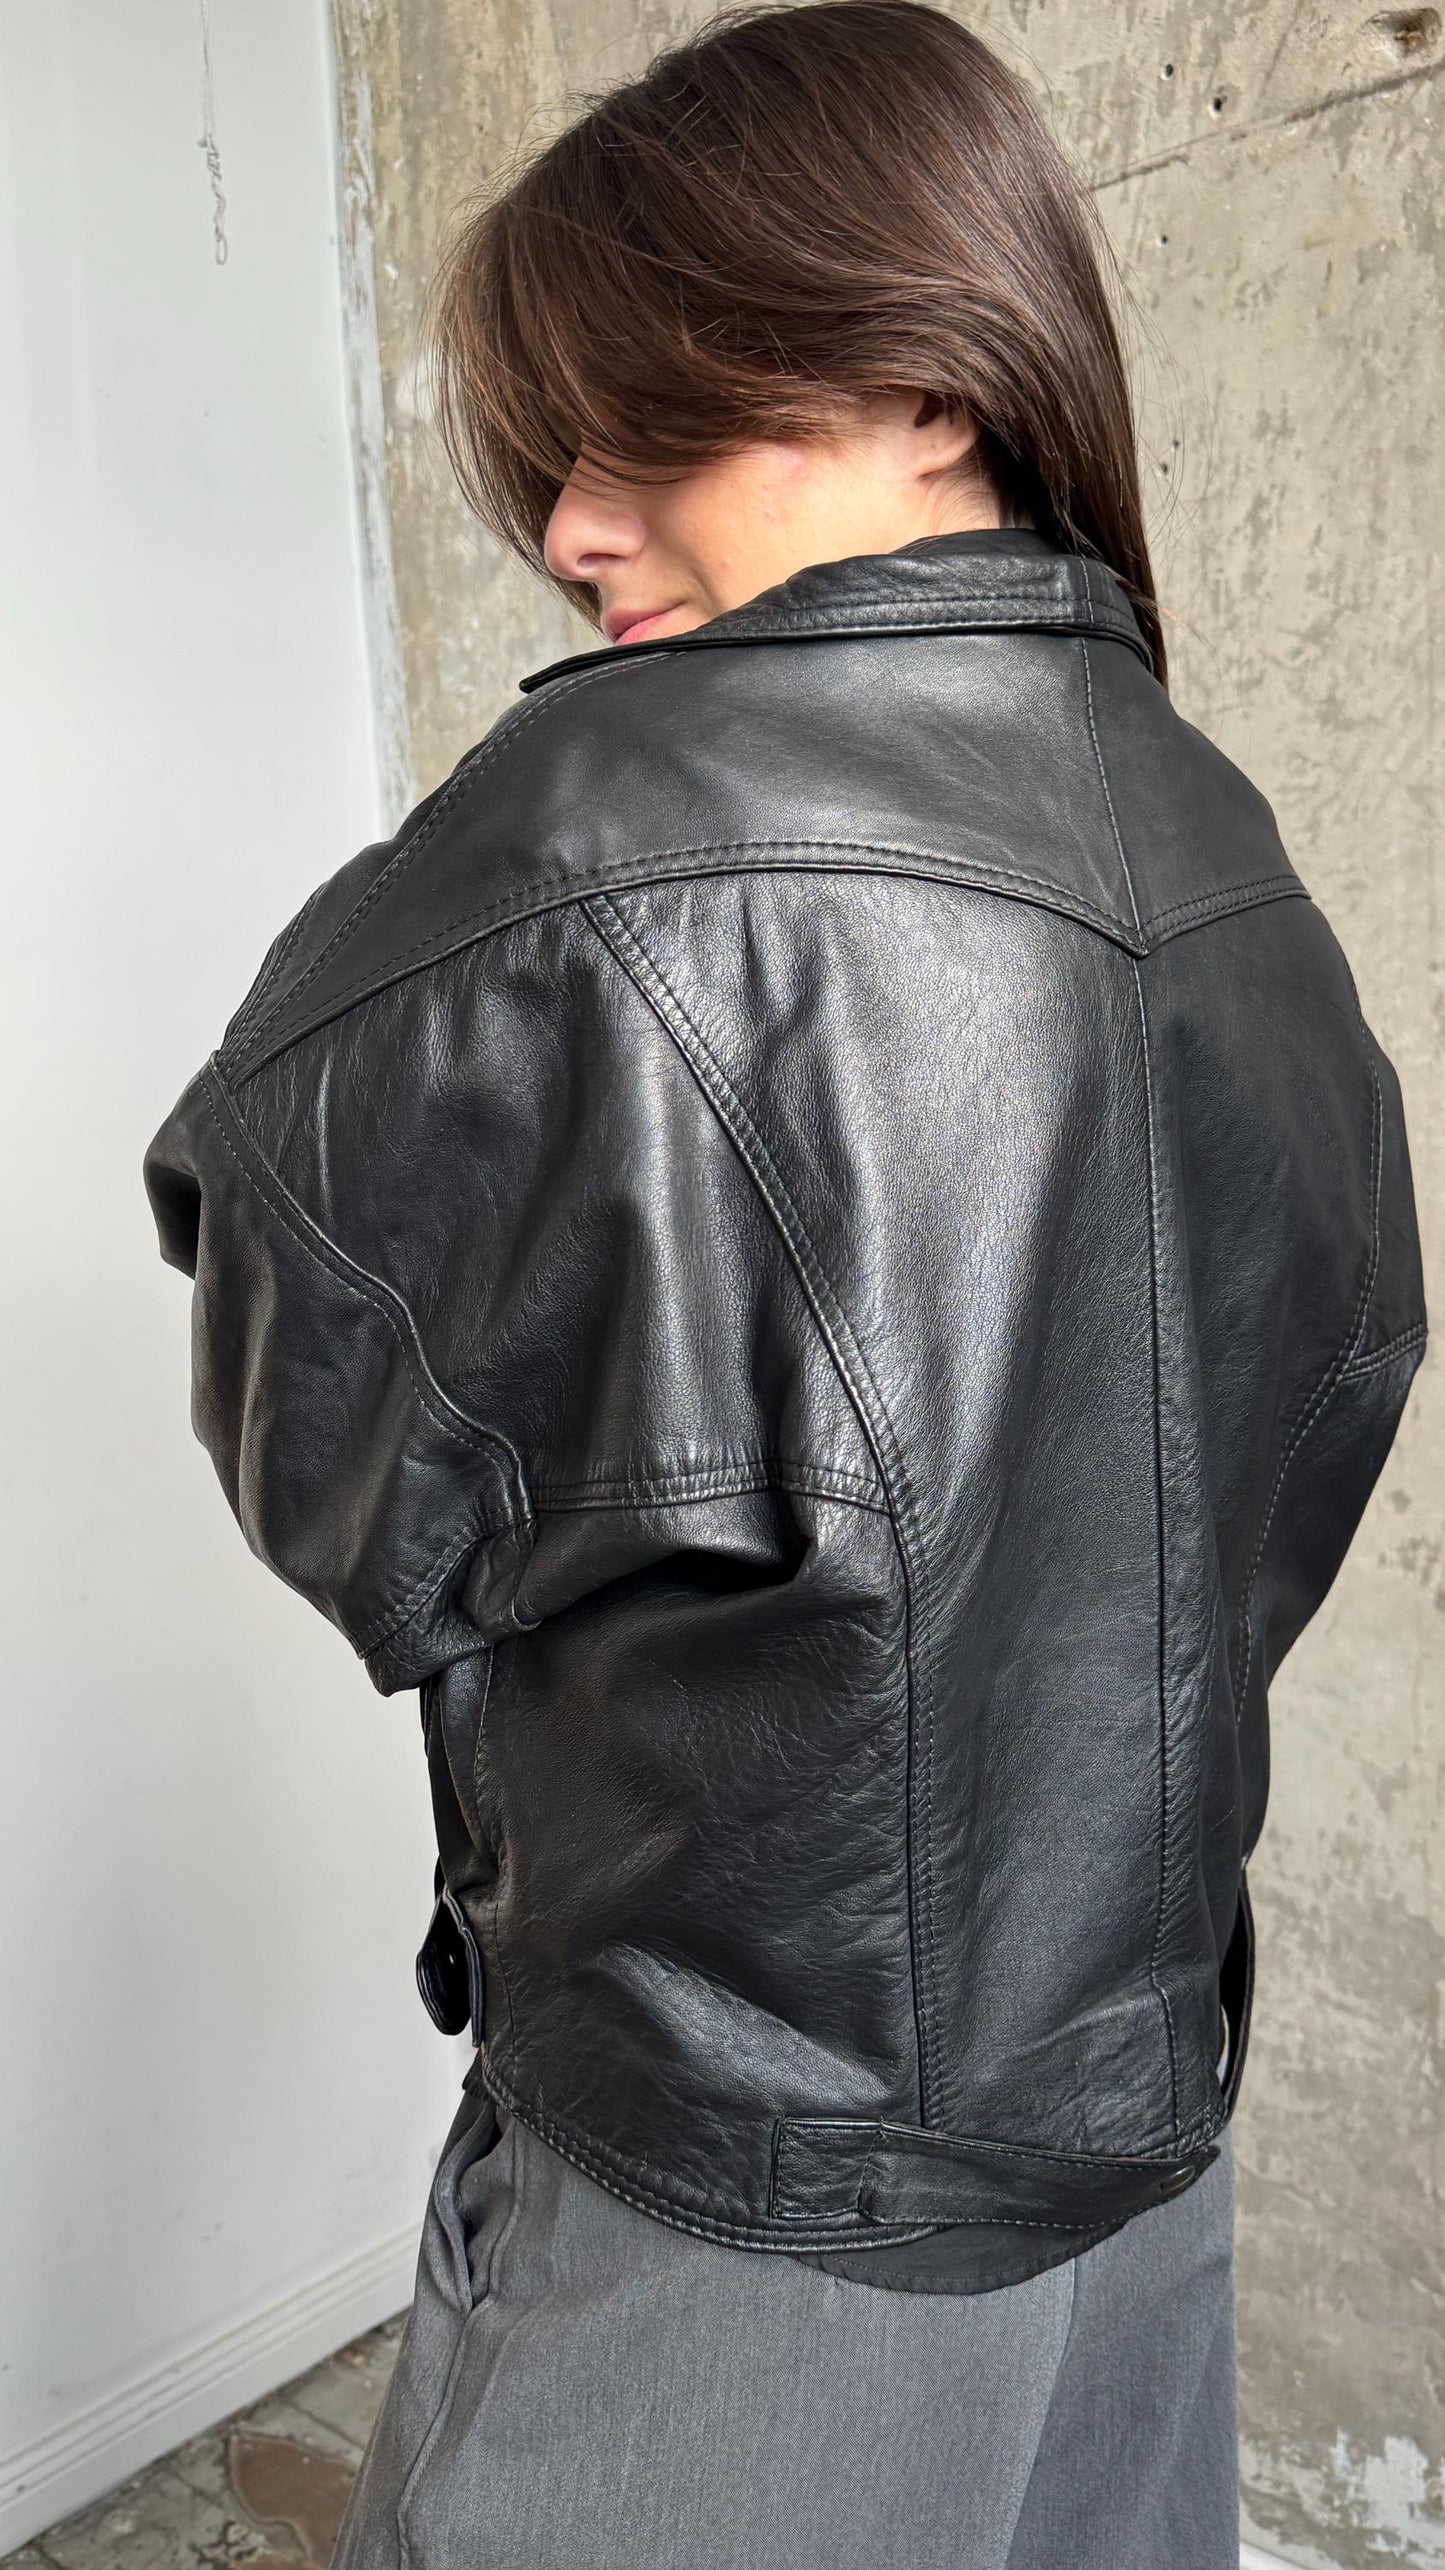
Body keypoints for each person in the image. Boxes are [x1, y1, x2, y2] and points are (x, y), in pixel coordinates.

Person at [143, 6, 1427, 2566]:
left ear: (927, 379)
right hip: (1146, 2136)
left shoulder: (614, 834)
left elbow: (326, 1421)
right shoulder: (1233, 860)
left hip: (743, 2207)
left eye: (644, 426)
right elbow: (1305, 1414)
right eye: (552, 455)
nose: (573, 524)